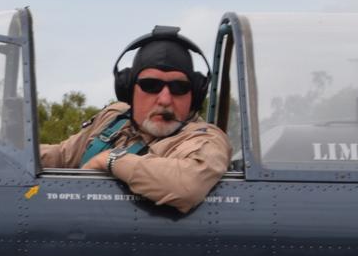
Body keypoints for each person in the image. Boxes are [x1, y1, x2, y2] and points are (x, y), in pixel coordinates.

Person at [39, 26, 231, 214]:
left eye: (179, 88)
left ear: (195, 96)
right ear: (129, 90)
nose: (165, 100)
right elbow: (62, 156)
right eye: (151, 85)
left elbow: (188, 185)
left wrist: (110, 159)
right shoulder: (115, 117)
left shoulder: (206, 139)